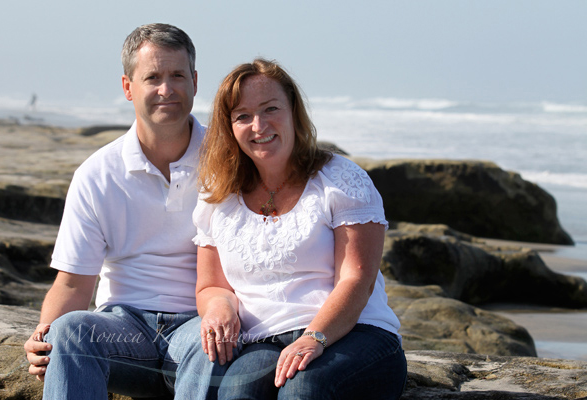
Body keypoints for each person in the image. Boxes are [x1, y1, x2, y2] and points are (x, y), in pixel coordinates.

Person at [23, 23, 228, 399]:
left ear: (195, 82)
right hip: (123, 328)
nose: (166, 89)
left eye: (177, 75)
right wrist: (43, 334)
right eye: (152, 77)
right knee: (70, 331)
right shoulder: (97, 174)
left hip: (199, 325)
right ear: (128, 87)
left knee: (215, 344)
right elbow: (72, 282)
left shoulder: (228, 160)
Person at [193, 58, 408, 400]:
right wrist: (219, 308)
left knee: (303, 390)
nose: (259, 125)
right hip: (263, 342)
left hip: (353, 335)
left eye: (270, 109)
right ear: (229, 127)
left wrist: (314, 338)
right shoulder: (218, 197)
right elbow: (211, 285)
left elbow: (357, 279)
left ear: (294, 111)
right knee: (235, 393)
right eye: (242, 116)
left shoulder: (340, 180)